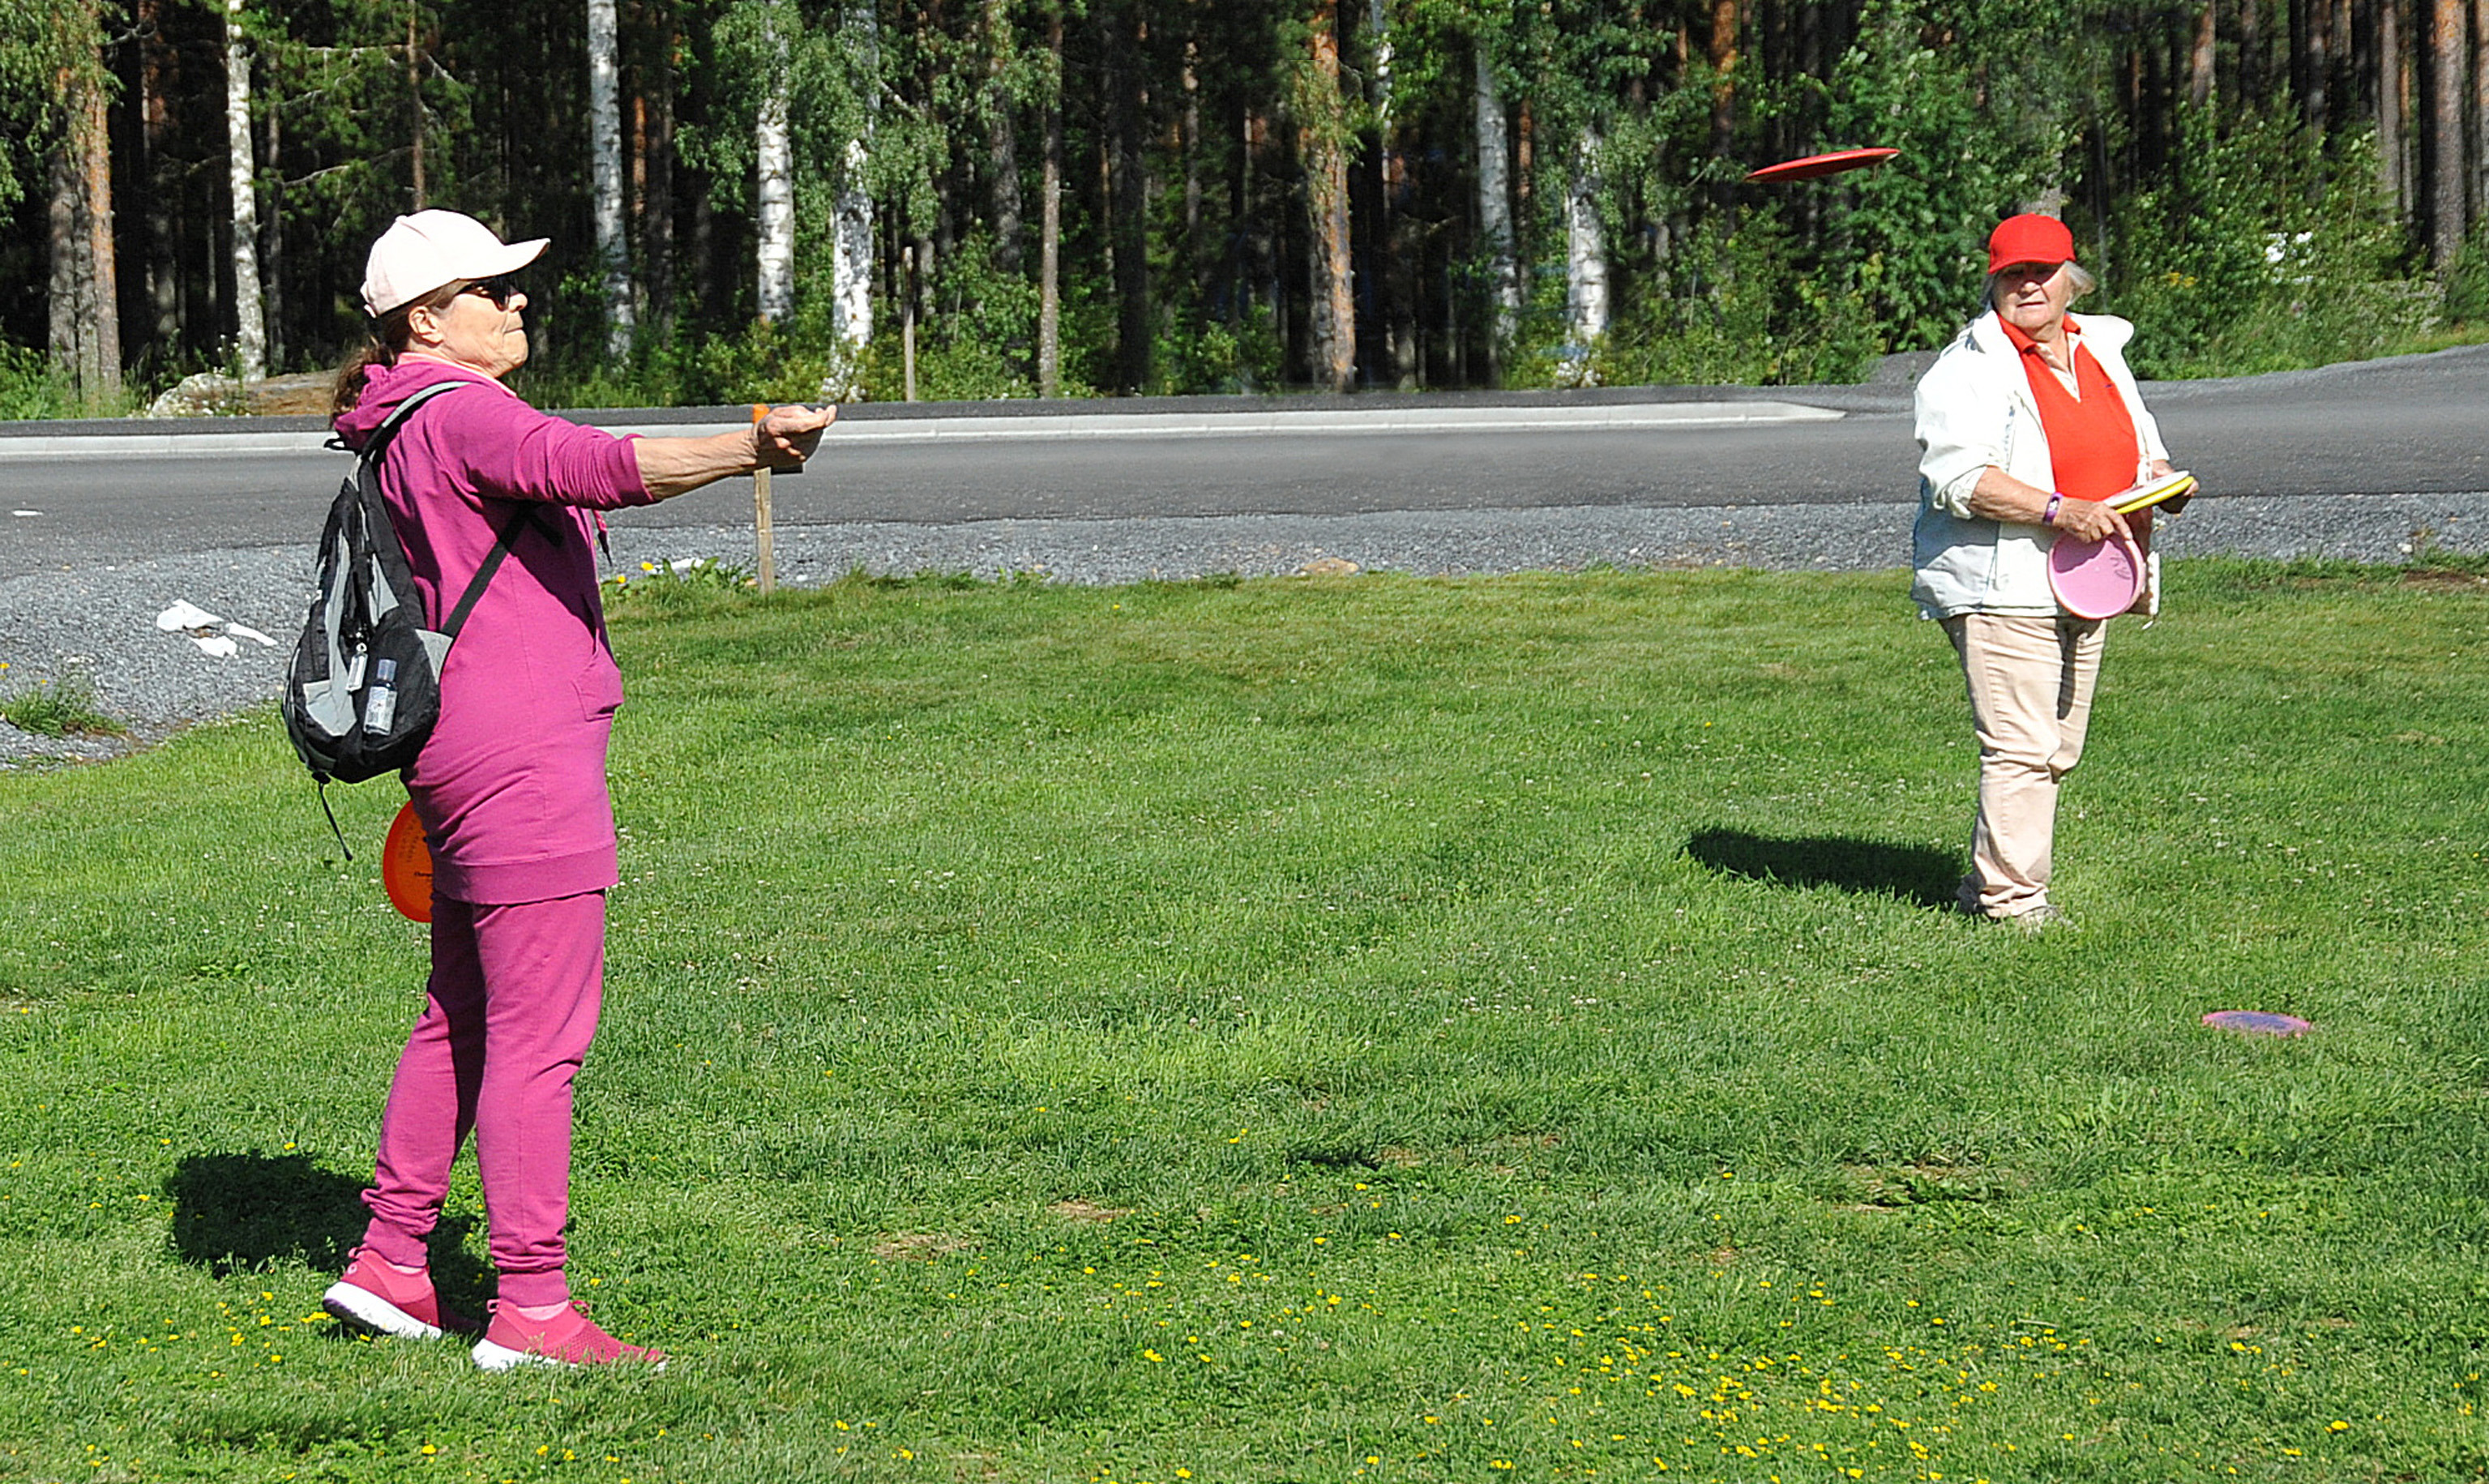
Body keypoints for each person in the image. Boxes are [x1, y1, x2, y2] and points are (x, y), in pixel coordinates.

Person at [317, 209, 831, 1368]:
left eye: (512, 286)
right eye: (488, 289)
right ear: (425, 320)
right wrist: (755, 441)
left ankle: (394, 1260)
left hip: (458, 751)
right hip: (519, 763)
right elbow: (594, 464)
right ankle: (532, 1308)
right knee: (539, 1036)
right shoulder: (462, 411)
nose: (516, 302)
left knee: (463, 1008)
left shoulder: (398, 416)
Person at [1911, 212, 2180, 931]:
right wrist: (2060, 509)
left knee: (2056, 747)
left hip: (2091, 574)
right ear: (1993, 282)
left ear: (2071, 279)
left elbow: (2138, 441)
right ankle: (2013, 906)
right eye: (2012, 274)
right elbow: (1958, 479)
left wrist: (2158, 479)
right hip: (2000, 581)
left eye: (2041, 271)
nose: (2028, 284)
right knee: (2021, 747)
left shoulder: (2100, 349)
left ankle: (1985, 885)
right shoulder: (1966, 367)